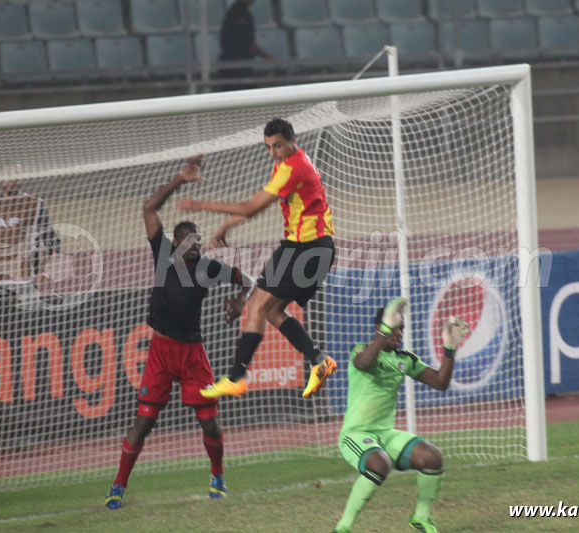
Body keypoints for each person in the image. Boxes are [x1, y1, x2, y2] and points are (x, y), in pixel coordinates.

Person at [105, 155, 255, 509]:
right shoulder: (162, 254)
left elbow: (246, 280)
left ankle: (217, 474)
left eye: (199, 240)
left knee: (210, 426)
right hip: (160, 351)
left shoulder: (207, 267)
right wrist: (180, 180)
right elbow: (148, 207)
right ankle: (118, 486)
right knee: (142, 424)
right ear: (176, 242)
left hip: (191, 354)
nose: (198, 245)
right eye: (190, 240)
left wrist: (239, 300)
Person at [175, 118, 337, 400]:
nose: (273, 152)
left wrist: (201, 205)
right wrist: (226, 226)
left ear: (291, 141)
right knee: (271, 311)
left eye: (278, 146)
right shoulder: (290, 162)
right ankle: (318, 359)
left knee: (257, 305)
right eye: (269, 147)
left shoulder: (292, 168)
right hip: (308, 248)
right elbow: (259, 208)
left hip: (306, 248)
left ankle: (237, 377)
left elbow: (250, 208)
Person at [333, 298, 471, 533]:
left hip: (384, 435)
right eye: (395, 328)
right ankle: (343, 527)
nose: (399, 333)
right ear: (381, 328)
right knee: (379, 463)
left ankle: (421, 517)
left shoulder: (404, 359)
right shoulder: (361, 351)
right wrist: (385, 331)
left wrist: (449, 350)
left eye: (401, 329)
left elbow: (440, 382)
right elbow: (364, 363)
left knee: (432, 457)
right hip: (355, 435)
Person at [0, 163, 60, 301]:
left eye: (15, 176)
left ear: (20, 179)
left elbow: (50, 238)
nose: (11, 180)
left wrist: (46, 269)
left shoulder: (33, 204)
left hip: (24, 277)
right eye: (7, 176)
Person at [218, 0, 273, 91]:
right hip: (236, 68)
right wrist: (269, 58)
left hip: (238, 66)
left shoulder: (237, 11)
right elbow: (246, 42)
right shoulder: (240, 13)